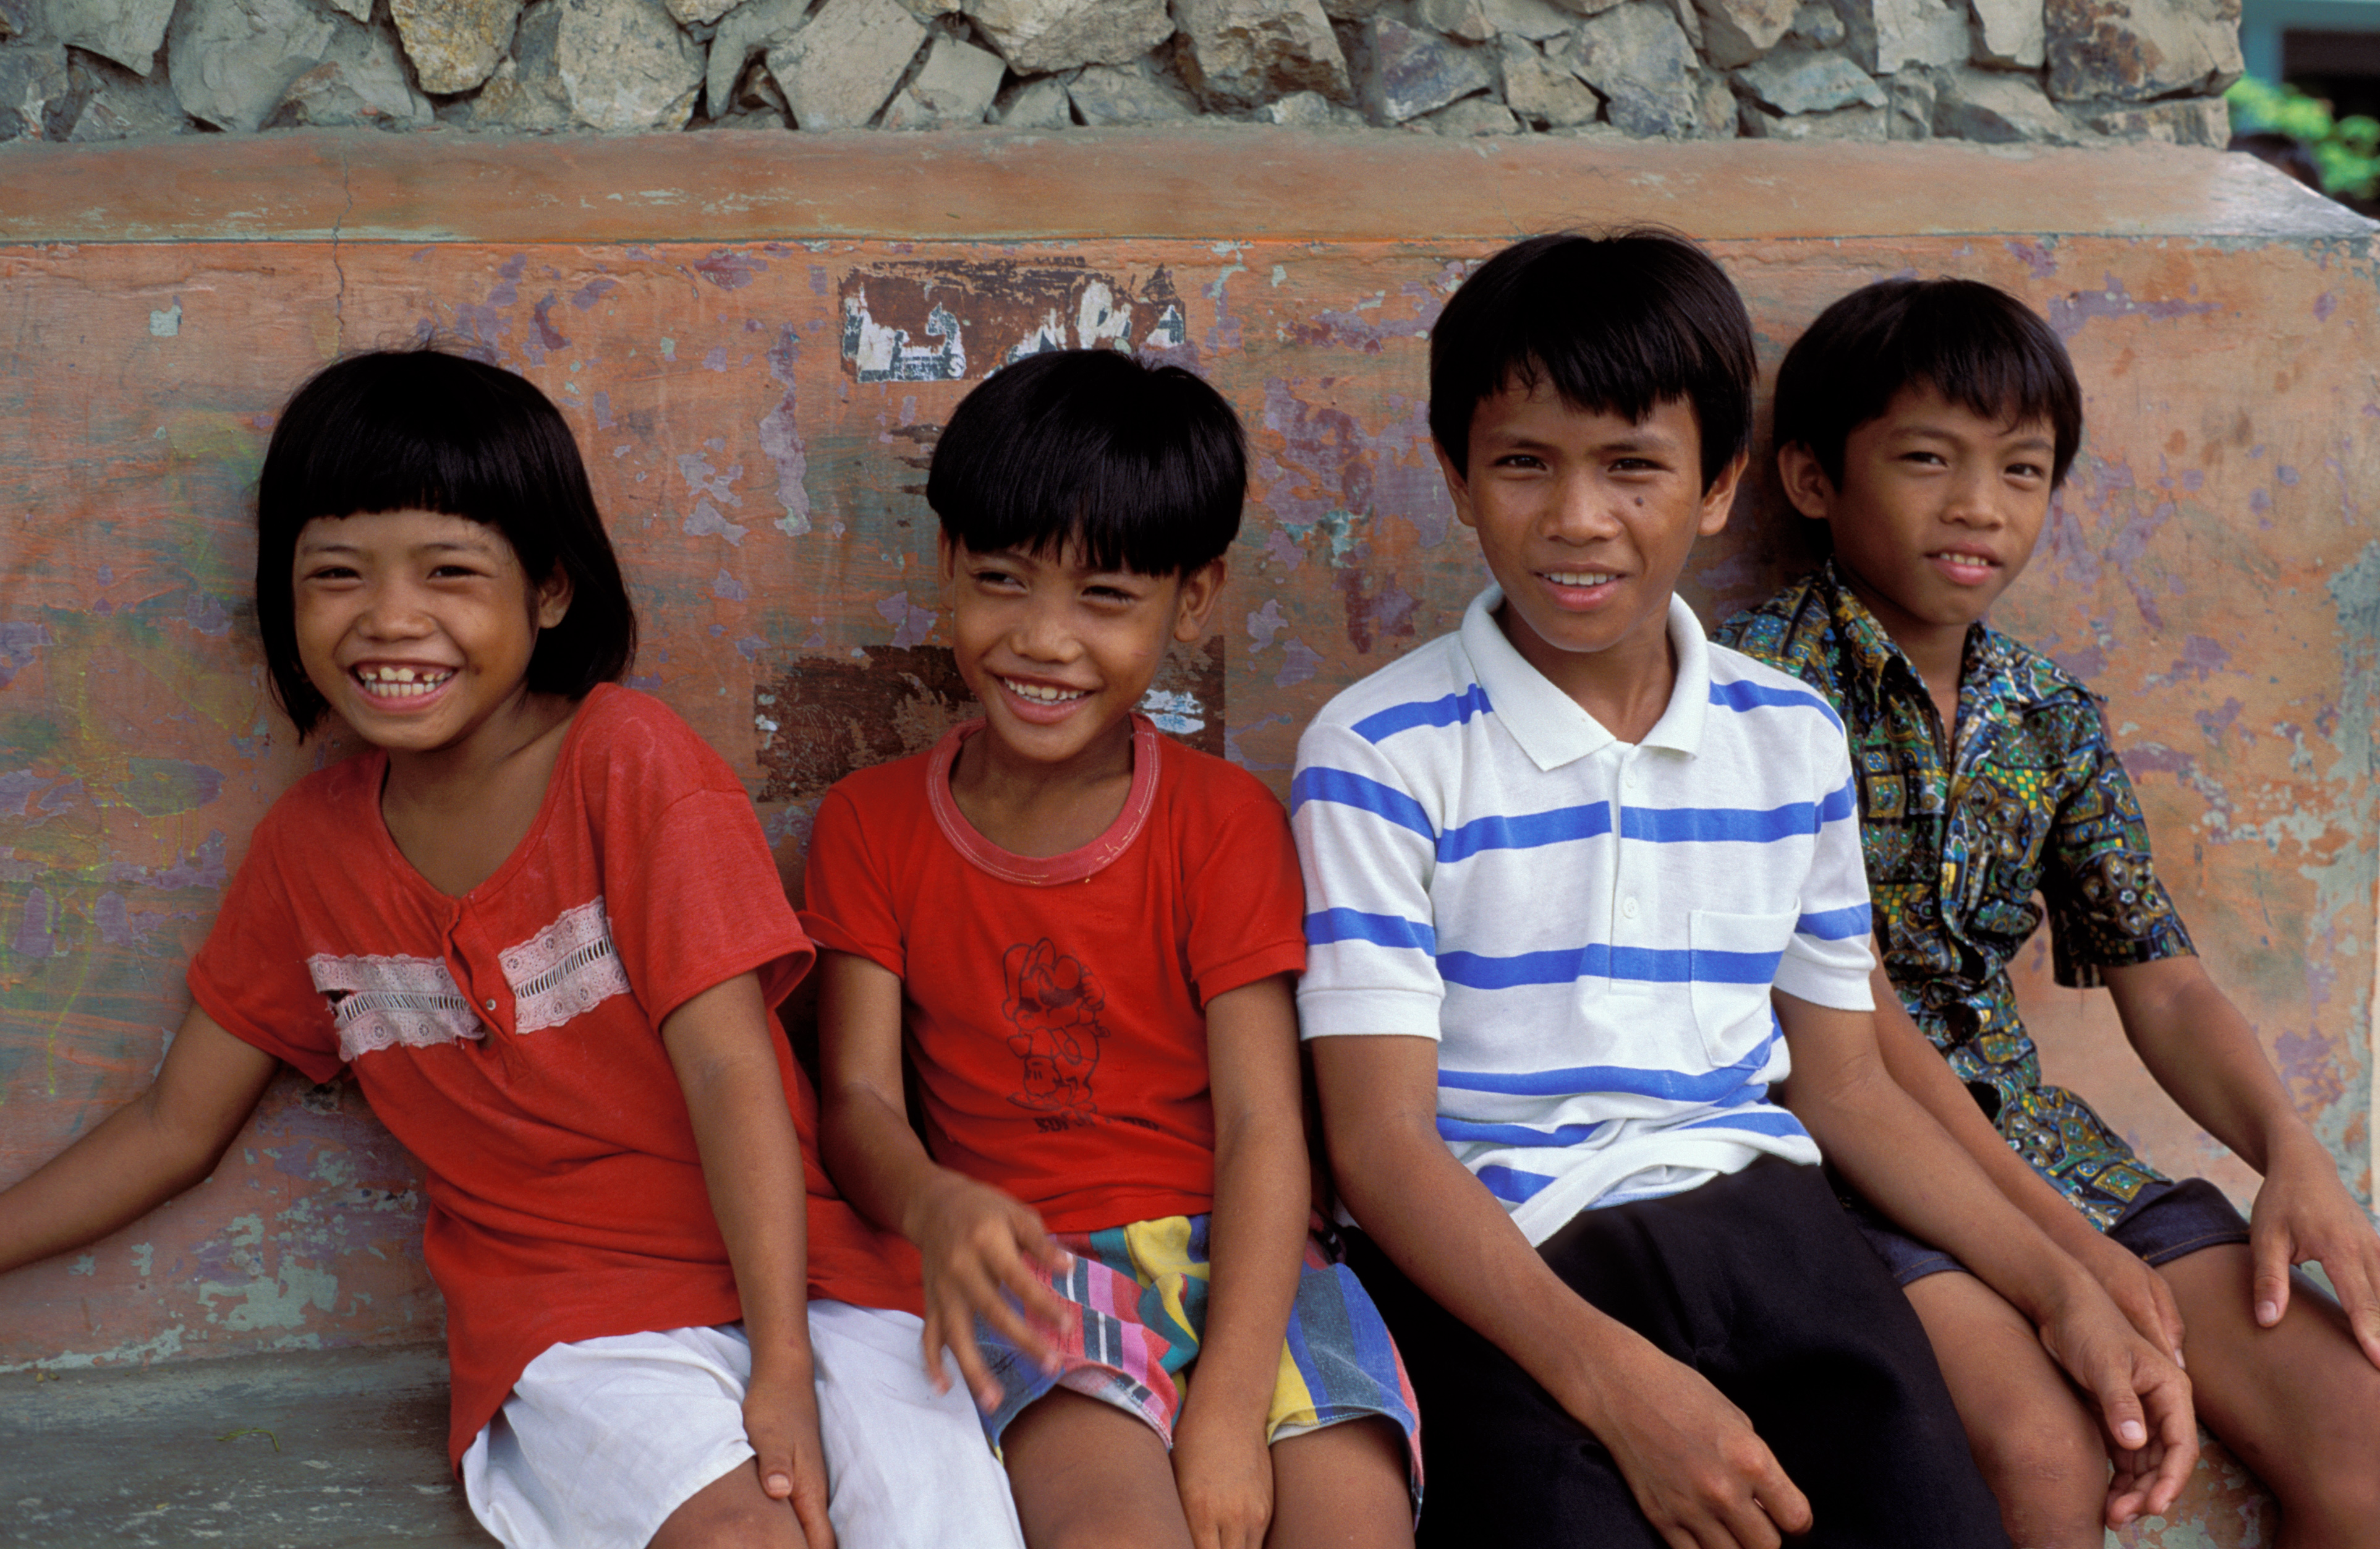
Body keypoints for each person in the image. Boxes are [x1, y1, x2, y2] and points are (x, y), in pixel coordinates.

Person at [0, 349, 1024, 1549]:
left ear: (547, 590)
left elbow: (729, 1070)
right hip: (577, 1318)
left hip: (814, 1281)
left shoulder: (628, 766)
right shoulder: (307, 856)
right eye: (336, 574)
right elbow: (175, 1123)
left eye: (448, 572)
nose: (389, 619)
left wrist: (784, 1363)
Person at [1291, 231, 2198, 1549]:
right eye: (1522, 464)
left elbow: (1843, 1083)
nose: (1577, 518)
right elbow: (1379, 1146)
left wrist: (2059, 1281)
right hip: (1502, 1251)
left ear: (1716, 484)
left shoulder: (1783, 734)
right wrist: (1614, 1381)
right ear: (1456, 476)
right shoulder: (1377, 751)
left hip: (1770, 1230)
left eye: (1632, 467)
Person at [1715, 276, 2380, 1548]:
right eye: (1926, 460)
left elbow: (2163, 978)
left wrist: (2287, 1148)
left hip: (2046, 1149)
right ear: (1809, 479)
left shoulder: (2042, 711)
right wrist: (2055, 1259)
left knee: (2356, 1439)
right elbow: (1836, 1030)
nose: (1979, 505)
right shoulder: (1750, 691)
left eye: (2020, 471)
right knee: (2051, 1451)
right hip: (1845, 1170)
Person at [802, 348, 1421, 1549]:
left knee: (1348, 1523)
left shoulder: (1220, 822)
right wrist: (932, 1204)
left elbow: (1258, 1129)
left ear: (1193, 600)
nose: (1041, 639)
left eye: (1104, 597)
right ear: (945, 569)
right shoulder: (868, 827)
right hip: (1031, 1270)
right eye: (1000, 580)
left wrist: (1230, 1407)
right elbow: (857, 1097)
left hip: (1253, 1260)